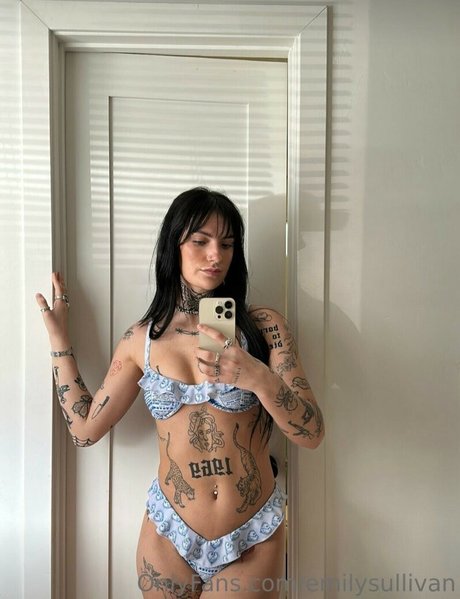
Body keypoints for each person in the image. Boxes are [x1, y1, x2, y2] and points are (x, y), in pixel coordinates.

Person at [36, 187, 324, 598]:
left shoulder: (264, 327)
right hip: (168, 535)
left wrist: (257, 376)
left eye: (227, 244)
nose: (215, 255)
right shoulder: (141, 340)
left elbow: (312, 435)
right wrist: (59, 340)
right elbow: (84, 430)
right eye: (200, 241)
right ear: (175, 246)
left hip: (251, 536)